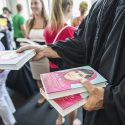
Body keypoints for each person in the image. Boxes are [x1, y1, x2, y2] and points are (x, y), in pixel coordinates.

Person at [17, 0, 125, 125]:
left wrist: (112, 98)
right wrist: (47, 50)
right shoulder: (99, 4)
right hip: (94, 98)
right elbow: (83, 43)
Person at [25, 0, 49, 106]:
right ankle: (43, 96)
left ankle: (51, 97)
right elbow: (27, 39)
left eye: (36, 3)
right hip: (33, 57)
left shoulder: (48, 21)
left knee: (48, 80)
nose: (33, 6)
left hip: (46, 56)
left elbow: (52, 42)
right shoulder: (29, 22)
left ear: (42, 5)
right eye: (31, 4)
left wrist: (42, 54)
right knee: (38, 79)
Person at [0, 41, 16, 125]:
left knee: (0, 99)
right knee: (3, 92)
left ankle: (10, 122)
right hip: (3, 71)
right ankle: (11, 110)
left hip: (1, 70)